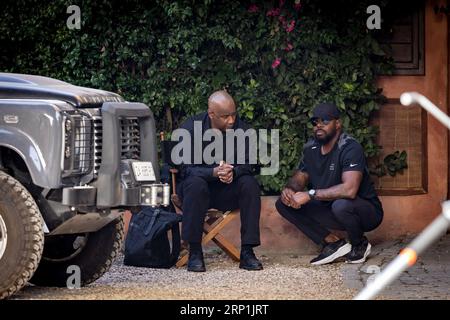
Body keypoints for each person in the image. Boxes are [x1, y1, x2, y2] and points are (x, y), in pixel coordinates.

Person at [275, 102, 383, 265]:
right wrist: (290, 190)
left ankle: (359, 243)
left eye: (324, 121)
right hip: (330, 207)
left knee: (341, 205)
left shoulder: (349, 147)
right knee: (283, 204)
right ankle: (333, 243)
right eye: (315, 122)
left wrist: (310, 195)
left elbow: (349, 190)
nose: (318, 125)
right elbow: (302, 176)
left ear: (338, 123)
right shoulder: (311, 148)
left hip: (365, 212)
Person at [175, 90, 263, 272]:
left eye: (233, 114)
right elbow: (184, 168)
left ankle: (247, 252)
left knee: (250, 184)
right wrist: (213, 172)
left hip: (227, 190)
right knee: (194, 183)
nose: (231, 120)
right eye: (225, 116)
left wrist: (234, 172)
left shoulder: (244, 130)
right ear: (211, 114)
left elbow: (252, 164)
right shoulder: (191, 128)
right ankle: (195, 251)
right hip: (197, 192)